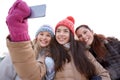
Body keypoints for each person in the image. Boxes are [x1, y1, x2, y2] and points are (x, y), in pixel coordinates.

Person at [5, 0, 111, 80]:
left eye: (65, 31)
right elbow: (33, 74)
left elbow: (104, 74)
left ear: (71, 34)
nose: (61, 34)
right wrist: (19, 34)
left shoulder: (83, 51)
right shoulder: (49, 52)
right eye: (58, 31)